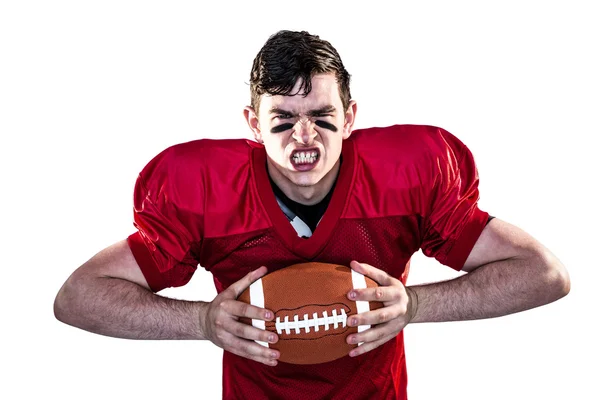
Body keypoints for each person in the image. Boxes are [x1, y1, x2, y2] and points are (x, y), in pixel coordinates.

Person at [54, 30, 570, 399]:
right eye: (283, 119)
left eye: (322, 117)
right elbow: (78, 297)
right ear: (253, 124)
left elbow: (544, 275)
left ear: (349, 119)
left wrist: (412, 306)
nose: (304, 138)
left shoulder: (406, 173)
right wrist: (203, 321)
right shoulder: (204, 188)